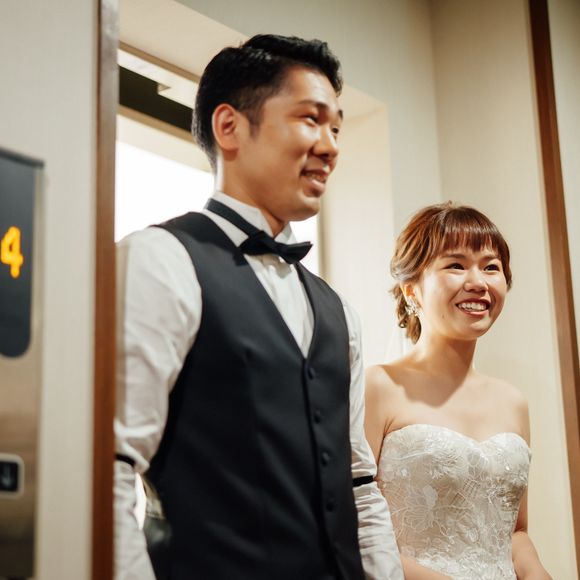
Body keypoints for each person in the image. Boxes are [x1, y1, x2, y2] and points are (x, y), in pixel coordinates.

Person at [114, 34, 402, 580]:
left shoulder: (338, 311)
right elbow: (109, 466)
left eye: (337, 128)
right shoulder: (160, 260)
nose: (331, 146)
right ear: (230, 127)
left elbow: (360, 483)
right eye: (311, 119)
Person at [365, 203, 552, 580]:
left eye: (491, 267)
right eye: (456, 265)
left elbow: (513, 531)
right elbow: (355, 531)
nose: (478, 282)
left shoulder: (513, 402)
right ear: (412, 290)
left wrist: (537, 572)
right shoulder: (377, 387)